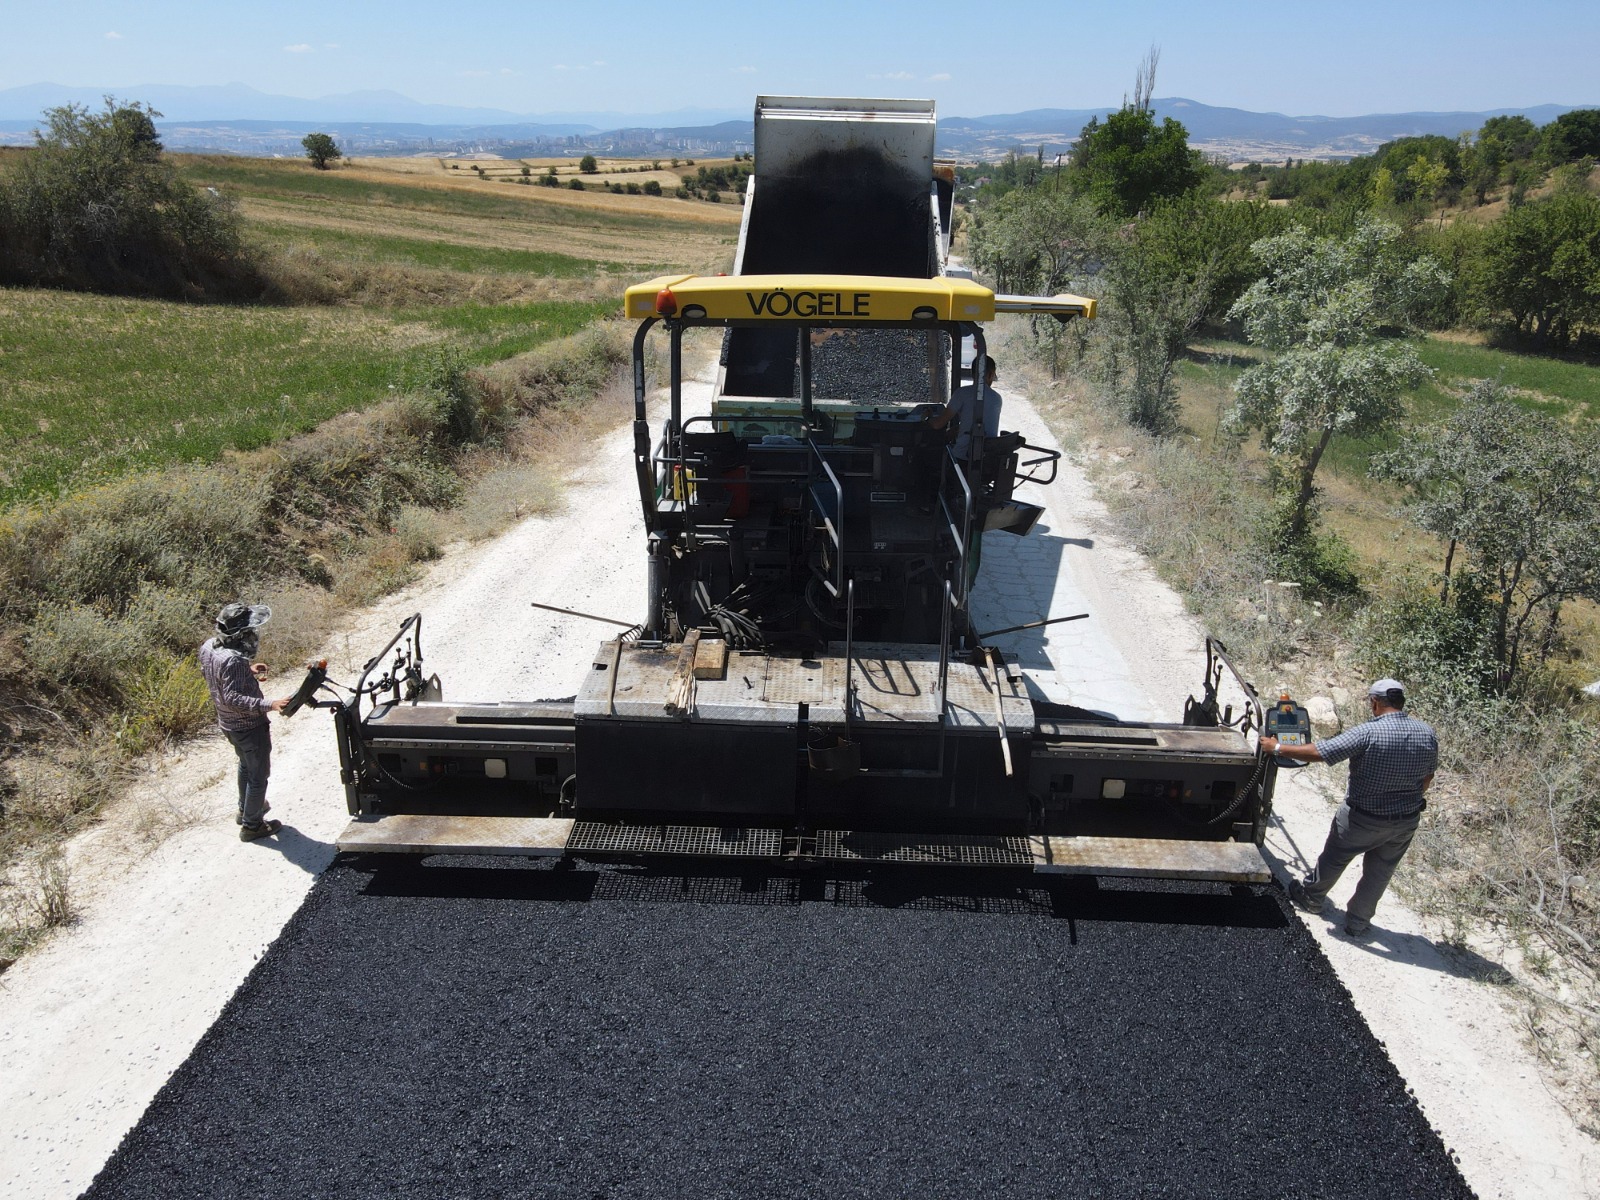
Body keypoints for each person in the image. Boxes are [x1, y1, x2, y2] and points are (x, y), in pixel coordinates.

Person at [1261, 678, 1439, 937]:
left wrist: (1277, 747)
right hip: (1405, 821)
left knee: (1335, 856)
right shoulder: (1427, 733)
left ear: (1375, 702)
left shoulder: (1368, 732)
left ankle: (1311, 897)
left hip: (1362, 817)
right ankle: (1358, 922)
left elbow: (1321, 752)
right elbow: (1428, 777)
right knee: (1380, 872)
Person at [199, 603, 289, 841]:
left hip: (228, 725)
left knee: (246, 765)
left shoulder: (209, 647)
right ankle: (252, 825)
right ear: (241, 635)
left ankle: (245, 809)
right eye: (249, 630)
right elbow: (234, 698)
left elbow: (212, 673)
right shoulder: (233, 661)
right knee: (259, 776)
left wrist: (246, 671)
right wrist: (271, 704)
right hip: (248, 727)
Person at [931, 354, 1003, 462]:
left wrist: (927, 418)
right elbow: (978, 422)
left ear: (972, 374)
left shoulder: (962, 393)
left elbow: (937, 424)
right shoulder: (997, 398)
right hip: (987, 460)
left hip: (962, 459)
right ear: (990, 375)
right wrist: (957, 429)